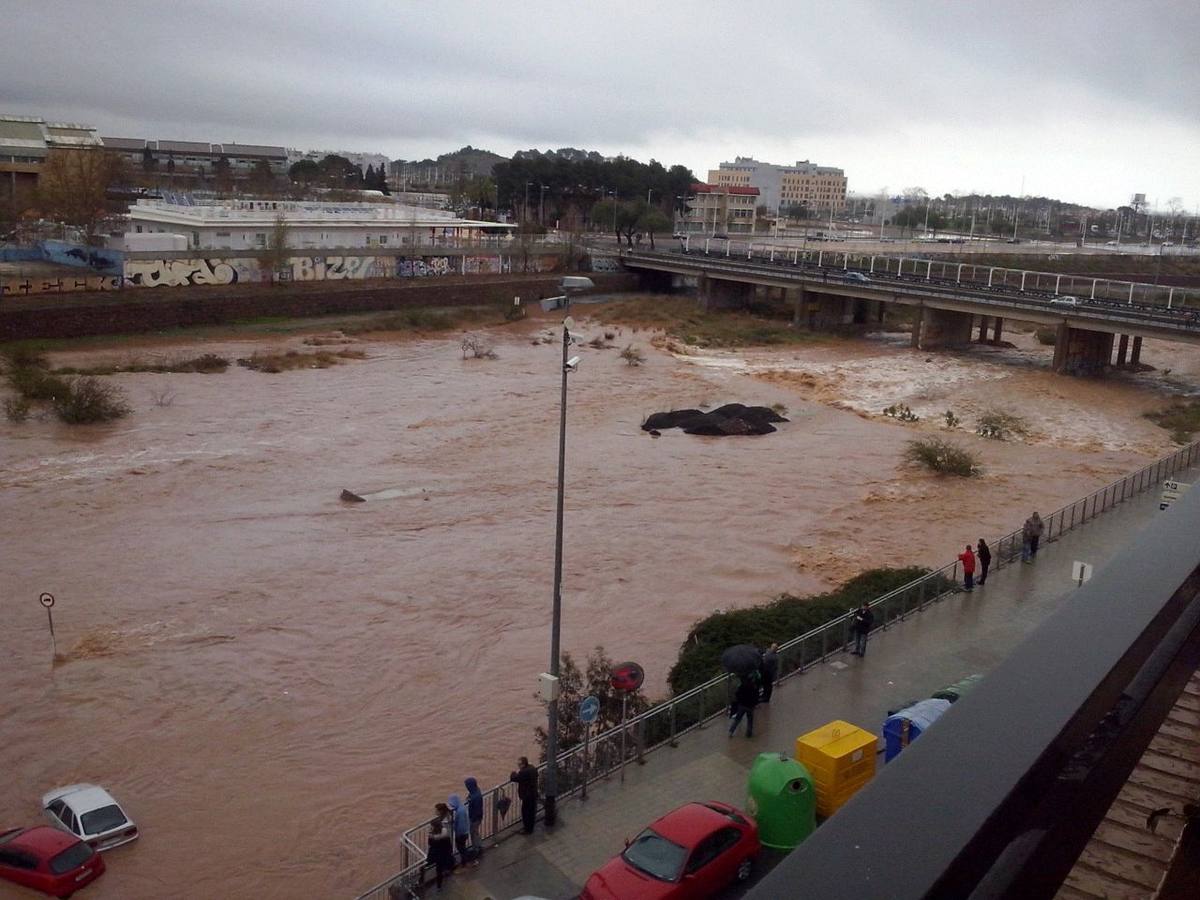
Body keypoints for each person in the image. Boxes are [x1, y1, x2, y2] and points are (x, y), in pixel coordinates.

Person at [510, 756, 538, 835]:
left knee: (525, 812)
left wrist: (513, 772)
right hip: (534, 793)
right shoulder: (533, 768)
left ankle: (527, 829)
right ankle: (530, 828)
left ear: (523, 764)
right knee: (532, 812)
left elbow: (514, 778)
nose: (518, 766)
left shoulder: (523, 772)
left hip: (527, 796)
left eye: (519, 764)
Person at [426, 820, 455, 891]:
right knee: (440, 870)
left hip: (435, 855)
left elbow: (430, 844)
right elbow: (449, 845)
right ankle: (439, 886)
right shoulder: (445, 836)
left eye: (431, 827)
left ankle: (421, 881)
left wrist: (430, 835)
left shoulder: (432, 837)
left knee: (426, 866)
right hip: (443, 855)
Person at [447, 794, 471, 866]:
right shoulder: (462, 808)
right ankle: (465, 859)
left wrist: (453, 825)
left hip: (461, 834)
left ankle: (464, 861)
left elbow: (459, 824)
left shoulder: (459, 812)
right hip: (465, 832)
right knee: (462, 846)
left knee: (460, 847)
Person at [464, 777, 484, 859]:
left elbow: (477, 809)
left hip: (475, 818)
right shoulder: (476, 791)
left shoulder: (475, 797)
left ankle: (476, 849)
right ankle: (479, 846)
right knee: (475, 833)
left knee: (473, 833)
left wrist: (473, 819)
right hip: (477, 817)